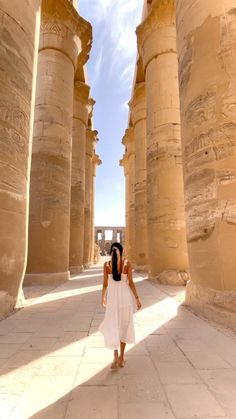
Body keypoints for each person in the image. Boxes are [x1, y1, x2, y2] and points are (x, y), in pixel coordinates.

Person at [99, 242, 141, 369]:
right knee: (124, 326)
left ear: (111, 252)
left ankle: (115, 354)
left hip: (113, 301)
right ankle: (122, 357)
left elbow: (105, 284)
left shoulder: (107, 265)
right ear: (121, 252)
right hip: (125, 300)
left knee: (113, 326)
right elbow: (131, 283)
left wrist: (103, 297)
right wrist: (137, 299)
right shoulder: (127, 264)